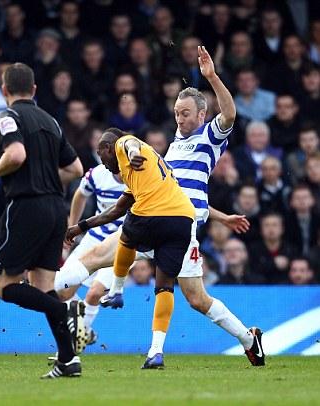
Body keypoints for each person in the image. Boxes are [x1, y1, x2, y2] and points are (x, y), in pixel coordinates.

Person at [59, 47, 264, 368]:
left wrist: (211, 77)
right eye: (176, 113)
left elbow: (230, 114)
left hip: (182, 229)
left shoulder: (209, 136)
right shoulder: (171, 147)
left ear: (201, 114)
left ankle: (248, 339)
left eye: (185, 113)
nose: (179, 118)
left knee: (197, 299)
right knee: (95, 255)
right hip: (155, 219)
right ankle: (59, 297)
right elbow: (174, 190)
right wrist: (223, 216)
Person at [0, 63, 85, 379]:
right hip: (56, 208)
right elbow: (76, 169)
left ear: (4, 90)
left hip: (27, 207)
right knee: (43, 286)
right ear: (35, 90)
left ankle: (60, 311)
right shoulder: (50, 121)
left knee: (2, 287)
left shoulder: (8, 117)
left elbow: (16, 155)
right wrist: (46, 179)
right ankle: (68, 360)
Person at [65, 129, 196, 371]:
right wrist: (80, 226)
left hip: (152, 213)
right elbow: (114, 210)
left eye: (101, 155)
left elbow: (130, 144)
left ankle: (116, 290)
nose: (103, 163)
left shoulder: (123, 144)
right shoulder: (140, 177)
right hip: (183, 219)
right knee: (165, 286)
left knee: (126, 235)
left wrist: (133, 153)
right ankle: (156, 352)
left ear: (107, 147)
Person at [55, 163, 126, 345]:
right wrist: (73, 226)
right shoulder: (98, 174)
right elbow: (80, 195)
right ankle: (84, 330)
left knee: (94, 293)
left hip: (122, 243)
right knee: (62, 291)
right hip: (93, 239)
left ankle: (77, 339)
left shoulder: (138, 175)